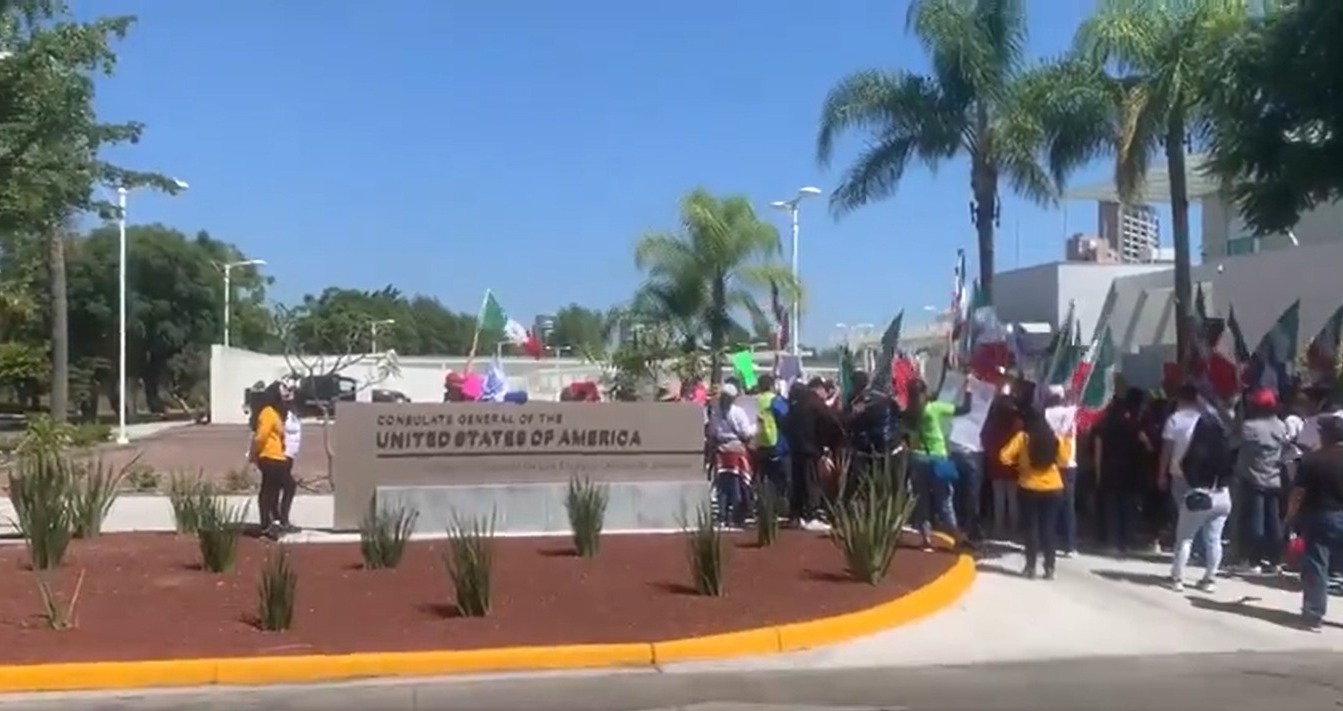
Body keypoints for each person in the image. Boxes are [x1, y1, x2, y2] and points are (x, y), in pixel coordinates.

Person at [999, 403, 1072, 580]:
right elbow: (1064, 461)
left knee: (1030, 528)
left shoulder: (1023, 437)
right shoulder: (1055, 437)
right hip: (1053, 487)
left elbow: (1003, 456)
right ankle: (1049, 568)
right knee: (1048, 529)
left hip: (1028, 486)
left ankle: (1030, 567)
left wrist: (1020, 466)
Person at [1286, 414, 1343, 632]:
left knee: (1317, 566)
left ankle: (1313, 616)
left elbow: (1298, 492)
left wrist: (1290, 515)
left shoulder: (1312, 459)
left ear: (1325, 435)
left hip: (1320, 516)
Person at [1169, 403, 1233, 592]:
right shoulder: (1226, 450)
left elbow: (1182, 470)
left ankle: (1177, 578)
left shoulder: (1197, 450)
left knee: (1185, 539)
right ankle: (1209, 579)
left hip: (1199, 495)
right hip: (1223, 496)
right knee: (1214, 539)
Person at [904, 377, 971, 551]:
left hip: (917, 459)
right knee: (945, 501)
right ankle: (956, 537)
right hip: (938, 458)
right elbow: (965, 409)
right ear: (925, 393)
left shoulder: (908, 414)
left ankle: (926, 540)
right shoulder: (934, 409)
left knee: (922, 500)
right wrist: (969, 389)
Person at [1234, 387, 1289, 574]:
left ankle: (1253, 560)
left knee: (1253, 521)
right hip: (1274, 478)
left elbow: (1233, 443)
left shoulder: (1250, 427)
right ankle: (1275, 560)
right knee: (1273, 521)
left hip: (1252, 478)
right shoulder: (1281, 426)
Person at [1096, 388, 1152, 555]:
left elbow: (1098, 449)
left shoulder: (1106, 423)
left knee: (1111, 506)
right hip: (1131, 469)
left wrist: (1098, 473)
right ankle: (1125, 540)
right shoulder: (1136, 424)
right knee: (1128, 507)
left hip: (1110, 468)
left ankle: (1112, 540)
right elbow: (1147, 446)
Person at [785, 378, 844, 530]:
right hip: (810, 448)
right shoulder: (816, 403)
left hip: (795, 447)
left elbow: (785, 423)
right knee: (810, 481)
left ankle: (796, 515)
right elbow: (832, 422)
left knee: (798, 482)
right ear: (818, 388)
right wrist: (829, 442)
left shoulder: (796, 404)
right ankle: (811, 515)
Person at [249, 380, 297, 539]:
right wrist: (254, 453)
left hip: (277, 457)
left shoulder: (275, 412)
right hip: (269, 457)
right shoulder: (268, 412)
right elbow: (261, 436)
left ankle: (272, 523)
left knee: (273, 489)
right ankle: (266, 525)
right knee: (269, 491)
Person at [707, 382, 756, 527]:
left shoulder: (715, 411)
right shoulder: (738, 412)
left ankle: (722, 515)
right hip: (736, 451)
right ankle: (736, 516)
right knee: (737, 484)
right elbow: (745, 433)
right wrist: (756, 427)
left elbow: (712, 432)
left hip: (722, 451)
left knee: (722, 484)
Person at [1043, 384, 1079, 557]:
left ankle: (1049, 540)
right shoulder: (1071, 413)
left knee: (1050, 505)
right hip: (1068, 464)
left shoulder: (1045, 415)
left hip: (1051, 463)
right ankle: (1070, 544)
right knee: (1068, 506)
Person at [983, 394, 1022, 538]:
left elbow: (987, 443)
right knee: (1013, 500)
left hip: (996, 466)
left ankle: (998, 529)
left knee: (998, 500)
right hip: (1013, 467)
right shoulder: (1017, 425)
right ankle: (1013, 529)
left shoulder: (993, 425)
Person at [753, 373, 791, 501]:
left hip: (759, 444)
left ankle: (763, 504)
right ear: (771, 386)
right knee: (780, 480)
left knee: (763, 477)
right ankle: (779, 505)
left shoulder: (755, 401)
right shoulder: (775, 400)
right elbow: (786, 418)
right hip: (777, 445)